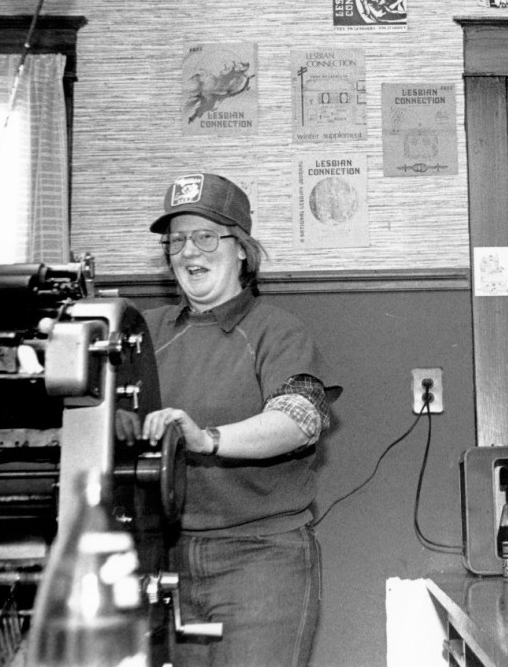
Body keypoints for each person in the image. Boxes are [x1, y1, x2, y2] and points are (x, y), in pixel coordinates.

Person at [118, 171, 336, 667]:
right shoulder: (140, 333)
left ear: (241, 249)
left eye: (204, 237)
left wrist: (206, 437)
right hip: (156, 558)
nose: (189, 253)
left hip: (259, 558)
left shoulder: (276, 331)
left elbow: (299, 417)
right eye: (177, 242)